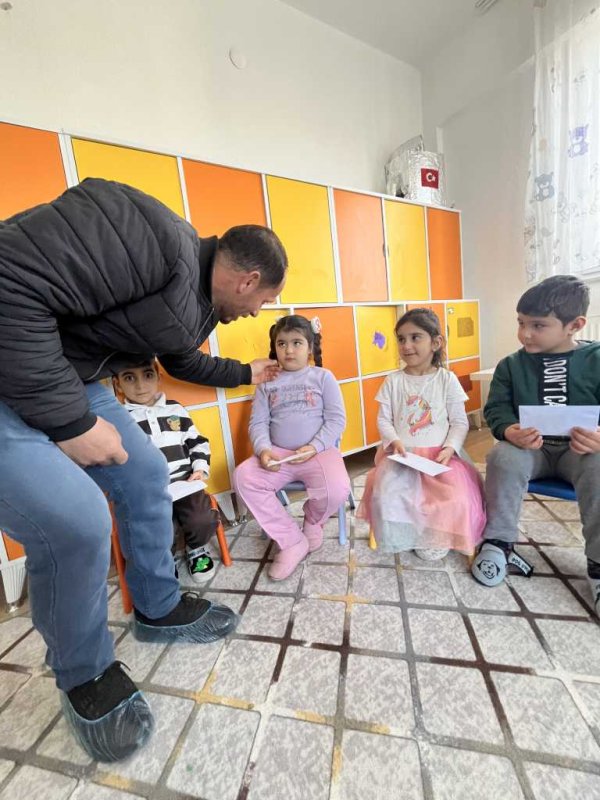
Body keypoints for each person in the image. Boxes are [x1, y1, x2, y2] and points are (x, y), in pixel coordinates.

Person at [0, 178, 287, 762]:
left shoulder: (194, 302)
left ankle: (156, 607)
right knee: (77, 522)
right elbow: (7, 278)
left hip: (62, 374)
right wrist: (72, 423)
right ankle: (84, 673)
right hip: (15, 370)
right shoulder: (151, 236)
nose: (257, 312)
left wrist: (244, 373)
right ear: (248, 280)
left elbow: (180, 356)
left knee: (147, 474)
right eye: (262, 300)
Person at [471, 275, 600, 614]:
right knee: (502, 457)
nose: (525, 333)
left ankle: (598, 564)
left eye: (538, 325)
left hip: (582, 453)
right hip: (532, 450)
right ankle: (498, 542)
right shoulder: (511, 365)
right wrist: (508, 429)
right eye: (521, 323)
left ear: (575, 325)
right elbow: (496, 408)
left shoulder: (596, 360)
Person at [357, 308, 485, 559]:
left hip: (440, 455)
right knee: (387, 494)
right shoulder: (393, 381)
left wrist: (450, 448)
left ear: (436, 343)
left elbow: (459, 422)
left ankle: (436, 535)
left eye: (415, 337)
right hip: (402, 454)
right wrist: (394, 440)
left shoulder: (446, 379)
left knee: (454, 496)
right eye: (401, 339)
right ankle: (407, 534)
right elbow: (383, 420)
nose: (406, 345)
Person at [233, 315, 350, 580]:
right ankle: (291, 540)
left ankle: (312, 521)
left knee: (337, 488)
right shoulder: (266, 383)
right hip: (278, 455)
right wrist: (263, 450)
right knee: (243, 478)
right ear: (274, 348)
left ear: (309, 347)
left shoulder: (323, 377)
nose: (288, 349)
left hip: (318, 453)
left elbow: (336, 420)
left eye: (297, 342)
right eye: (282, 343)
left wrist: (314, 446)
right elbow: (258, 423)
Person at [114, 359, 218, 584]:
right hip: (148, 489)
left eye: (147, 375)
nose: (140, 385)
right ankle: (165, 559)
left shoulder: (175, 409)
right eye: (129, 378)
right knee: (157, 527)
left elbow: (197, 442)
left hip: (184, 481)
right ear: (118, 384)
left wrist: (200, 469)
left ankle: (196, 549)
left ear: (159, 377)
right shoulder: (120, 419)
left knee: (201, 518)